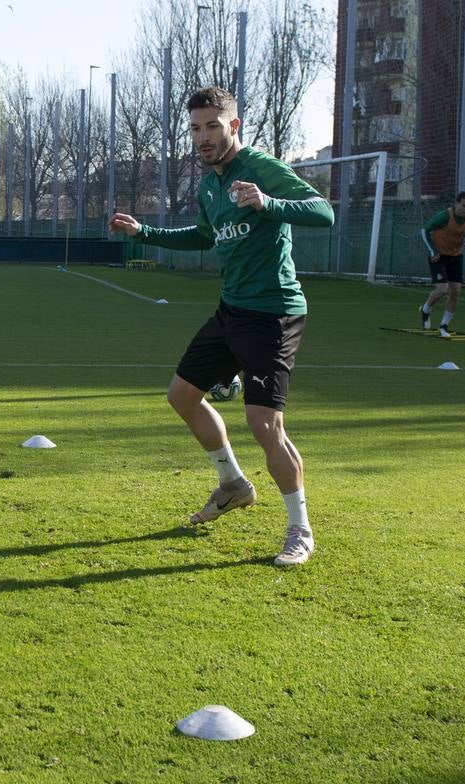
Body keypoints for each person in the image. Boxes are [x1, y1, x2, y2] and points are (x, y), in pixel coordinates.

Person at [108, 86, 334, 568]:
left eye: (213, 125)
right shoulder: (210, 185)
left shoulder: (259, 168)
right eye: (195, 128)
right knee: (182, 396)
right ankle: (232, 483)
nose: (203, 136)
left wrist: (269, 203)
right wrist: (144, 232)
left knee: (264, 424)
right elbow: (204, 236)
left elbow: (323, 212)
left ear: (233, 126)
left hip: (274, 312)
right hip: (231, 310)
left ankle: (301, 530)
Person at [419, 191, 465, 339]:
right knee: (441, 290)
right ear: (457, 203)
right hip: (438, 256)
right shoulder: (445, 216)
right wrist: (432, 251)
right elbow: (424, 230)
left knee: (456, 291)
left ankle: (444, 326)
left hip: (455, 257)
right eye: (464, 205)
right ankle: (425, 310)